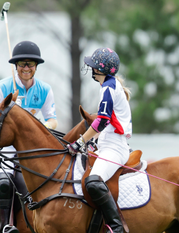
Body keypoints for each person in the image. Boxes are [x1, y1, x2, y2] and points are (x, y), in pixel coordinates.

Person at [0, 41, 57, 233]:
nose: (26, 68)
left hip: (30, 149)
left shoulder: (45, 89)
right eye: (22, 64)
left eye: (30, 64)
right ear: (15, 66)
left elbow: (52, 120)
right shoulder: (1, 89)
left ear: (36, 67)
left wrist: (41, 129)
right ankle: (5, 227)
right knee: (4, 182)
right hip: (4, 148)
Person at [67, 48, 132, 233]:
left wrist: (80, 142)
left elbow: (102, 120)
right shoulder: (109, 86)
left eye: (93, 66)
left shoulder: (108, 88)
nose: (91, 69)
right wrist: (92, 142)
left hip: (115, 148)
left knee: (93, 181)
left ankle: (117, 227)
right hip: (107, 144)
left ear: (100, 70)